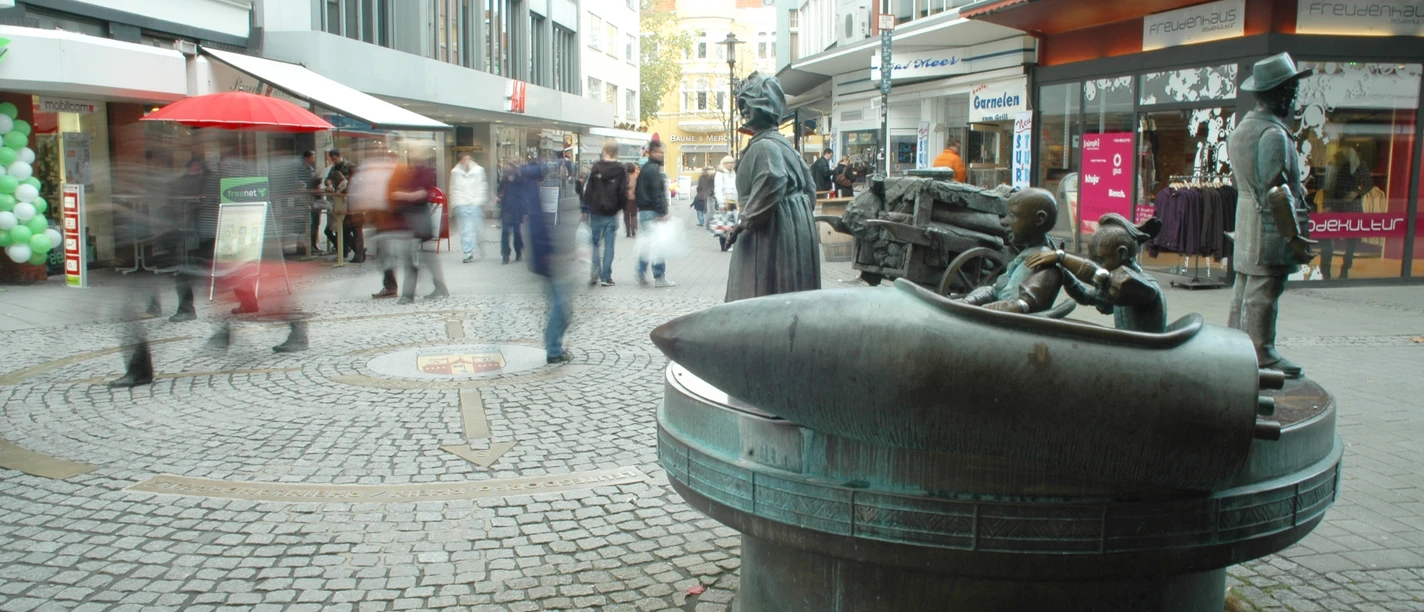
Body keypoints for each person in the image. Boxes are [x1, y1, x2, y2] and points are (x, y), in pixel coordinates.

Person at [1227, 52, 1317, 379]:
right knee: (1264, 291)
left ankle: (1235, 345)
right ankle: (1261, 352)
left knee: (1245, 289)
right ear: (1277, 94)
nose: (1294, 99)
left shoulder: (1242, 130)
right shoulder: (1274, 134)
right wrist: (1293, 237)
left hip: (1247, 221)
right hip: (1268, 227)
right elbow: (1277, 192)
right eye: (1291, 92)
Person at [722, 72, 822, 302]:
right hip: (789, 231)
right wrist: (798, 220)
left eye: (748, 105)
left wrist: (744, 223)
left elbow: (773, 179)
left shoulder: (763, 147)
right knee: (787, 294)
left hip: (768, 235)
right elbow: (809, 190)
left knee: (759, 293)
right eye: (742, 105)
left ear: (765, 107)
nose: (744, 111)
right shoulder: (786, 146)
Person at [1025, 214, 1166, 332]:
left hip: (1141, 358)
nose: (1097, 265)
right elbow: (1087, 296)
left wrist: (1062, 257)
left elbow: (1107, 280)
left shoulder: (1141, 285)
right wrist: (1064, 273)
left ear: (1121, 254)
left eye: (1100, 260)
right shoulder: (1118, 286)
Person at [958, 188, 1064, 314]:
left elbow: (1019, 307)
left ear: (1040, 219)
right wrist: (967, 302)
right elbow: (994, 291)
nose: (1003, 221)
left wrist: (976, 312)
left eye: (1012, 216)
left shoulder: (1046, 266)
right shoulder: (1028, 254)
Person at [580, 139, 630, 286]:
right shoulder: (621, 169)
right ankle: (606, 277)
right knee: (609, 245)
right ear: (616, 152)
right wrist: (621, 207)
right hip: (612, 213)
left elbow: (587, 190)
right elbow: (622, 191)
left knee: (595, 243)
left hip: (595, 211)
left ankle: (595, 270)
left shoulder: (596, 167)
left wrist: (585, 208)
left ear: (605, 150)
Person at [1320, 147, 1370, 280]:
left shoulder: (1360, 165)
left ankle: (1345, 268)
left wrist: (1357, 193)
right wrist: (1327, 205)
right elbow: (1328, 186)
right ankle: (1325, 271)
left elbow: (1368, 184)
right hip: (1335, 205)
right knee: (1327, 237)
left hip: (1352, 207)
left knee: (1351, 240)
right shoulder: (1336, 162)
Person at [635, 140, 675, 287]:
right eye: (658, 152)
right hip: (653, 211)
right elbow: (657, 192)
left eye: (662, 153)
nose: (661, 155)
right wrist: (662, 212)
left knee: (647, 245)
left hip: (644, 211)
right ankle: (659, 276)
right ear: (651, 153)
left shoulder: (645, 168)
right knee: (658, 246)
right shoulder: (654, 170)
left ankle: (640, 270)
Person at [449, 153, 489, 263]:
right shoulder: (455, 172)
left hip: (475, 203)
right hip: (462, 204)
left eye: (468, 159)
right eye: (464, 160)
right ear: (460, 161)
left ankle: (479, 244)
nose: (466, 161)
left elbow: (482, 186)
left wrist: (479, 200)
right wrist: (456, 203)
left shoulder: (478, 170)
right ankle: (468, 253)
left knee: (477, 228)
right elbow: (453, 188)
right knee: (466, 230)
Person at [325, 150, 362, 262]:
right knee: (346, 229)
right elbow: (328, 179)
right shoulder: (334, 168)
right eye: (332, 159)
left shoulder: (351, 167)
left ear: (340, 156)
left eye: (335, 158)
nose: (334, 161)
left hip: (352, 203)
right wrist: (329, 184)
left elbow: (354, 185)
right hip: (343, 202)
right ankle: (353, 252)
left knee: (353, 229)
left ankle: (358, 253)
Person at [498, 162, 526, 264]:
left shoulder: (519, 180)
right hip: (506, 210)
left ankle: (518, 252)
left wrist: (524, 211)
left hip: (517, 210)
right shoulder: (504, 180)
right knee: (505, 233)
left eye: (509, 168)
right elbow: (499, 191)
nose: (507, 169)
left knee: (517, 233)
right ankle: (505, 254)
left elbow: (523, 196)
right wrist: (498, 197)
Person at [623, 162, 640, 238]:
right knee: (633, 215)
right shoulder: (636, 176)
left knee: (626, 215)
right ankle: (633, 229)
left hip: (626, 198)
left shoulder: (624, 177)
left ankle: (628, 232)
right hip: (634, 198)